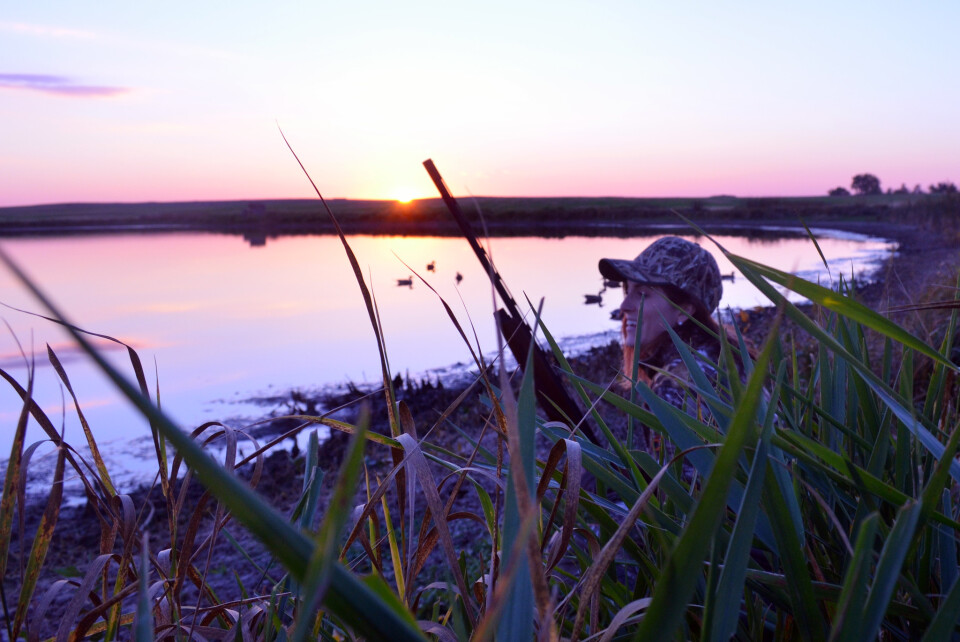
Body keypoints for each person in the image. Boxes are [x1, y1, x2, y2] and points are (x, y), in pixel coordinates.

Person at [598, 236, 733, 450]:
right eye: (628, 290)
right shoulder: (726, 357)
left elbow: (682, 482)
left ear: (685, 309)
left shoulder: (677, 386)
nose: (624, 305)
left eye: (642, 294)